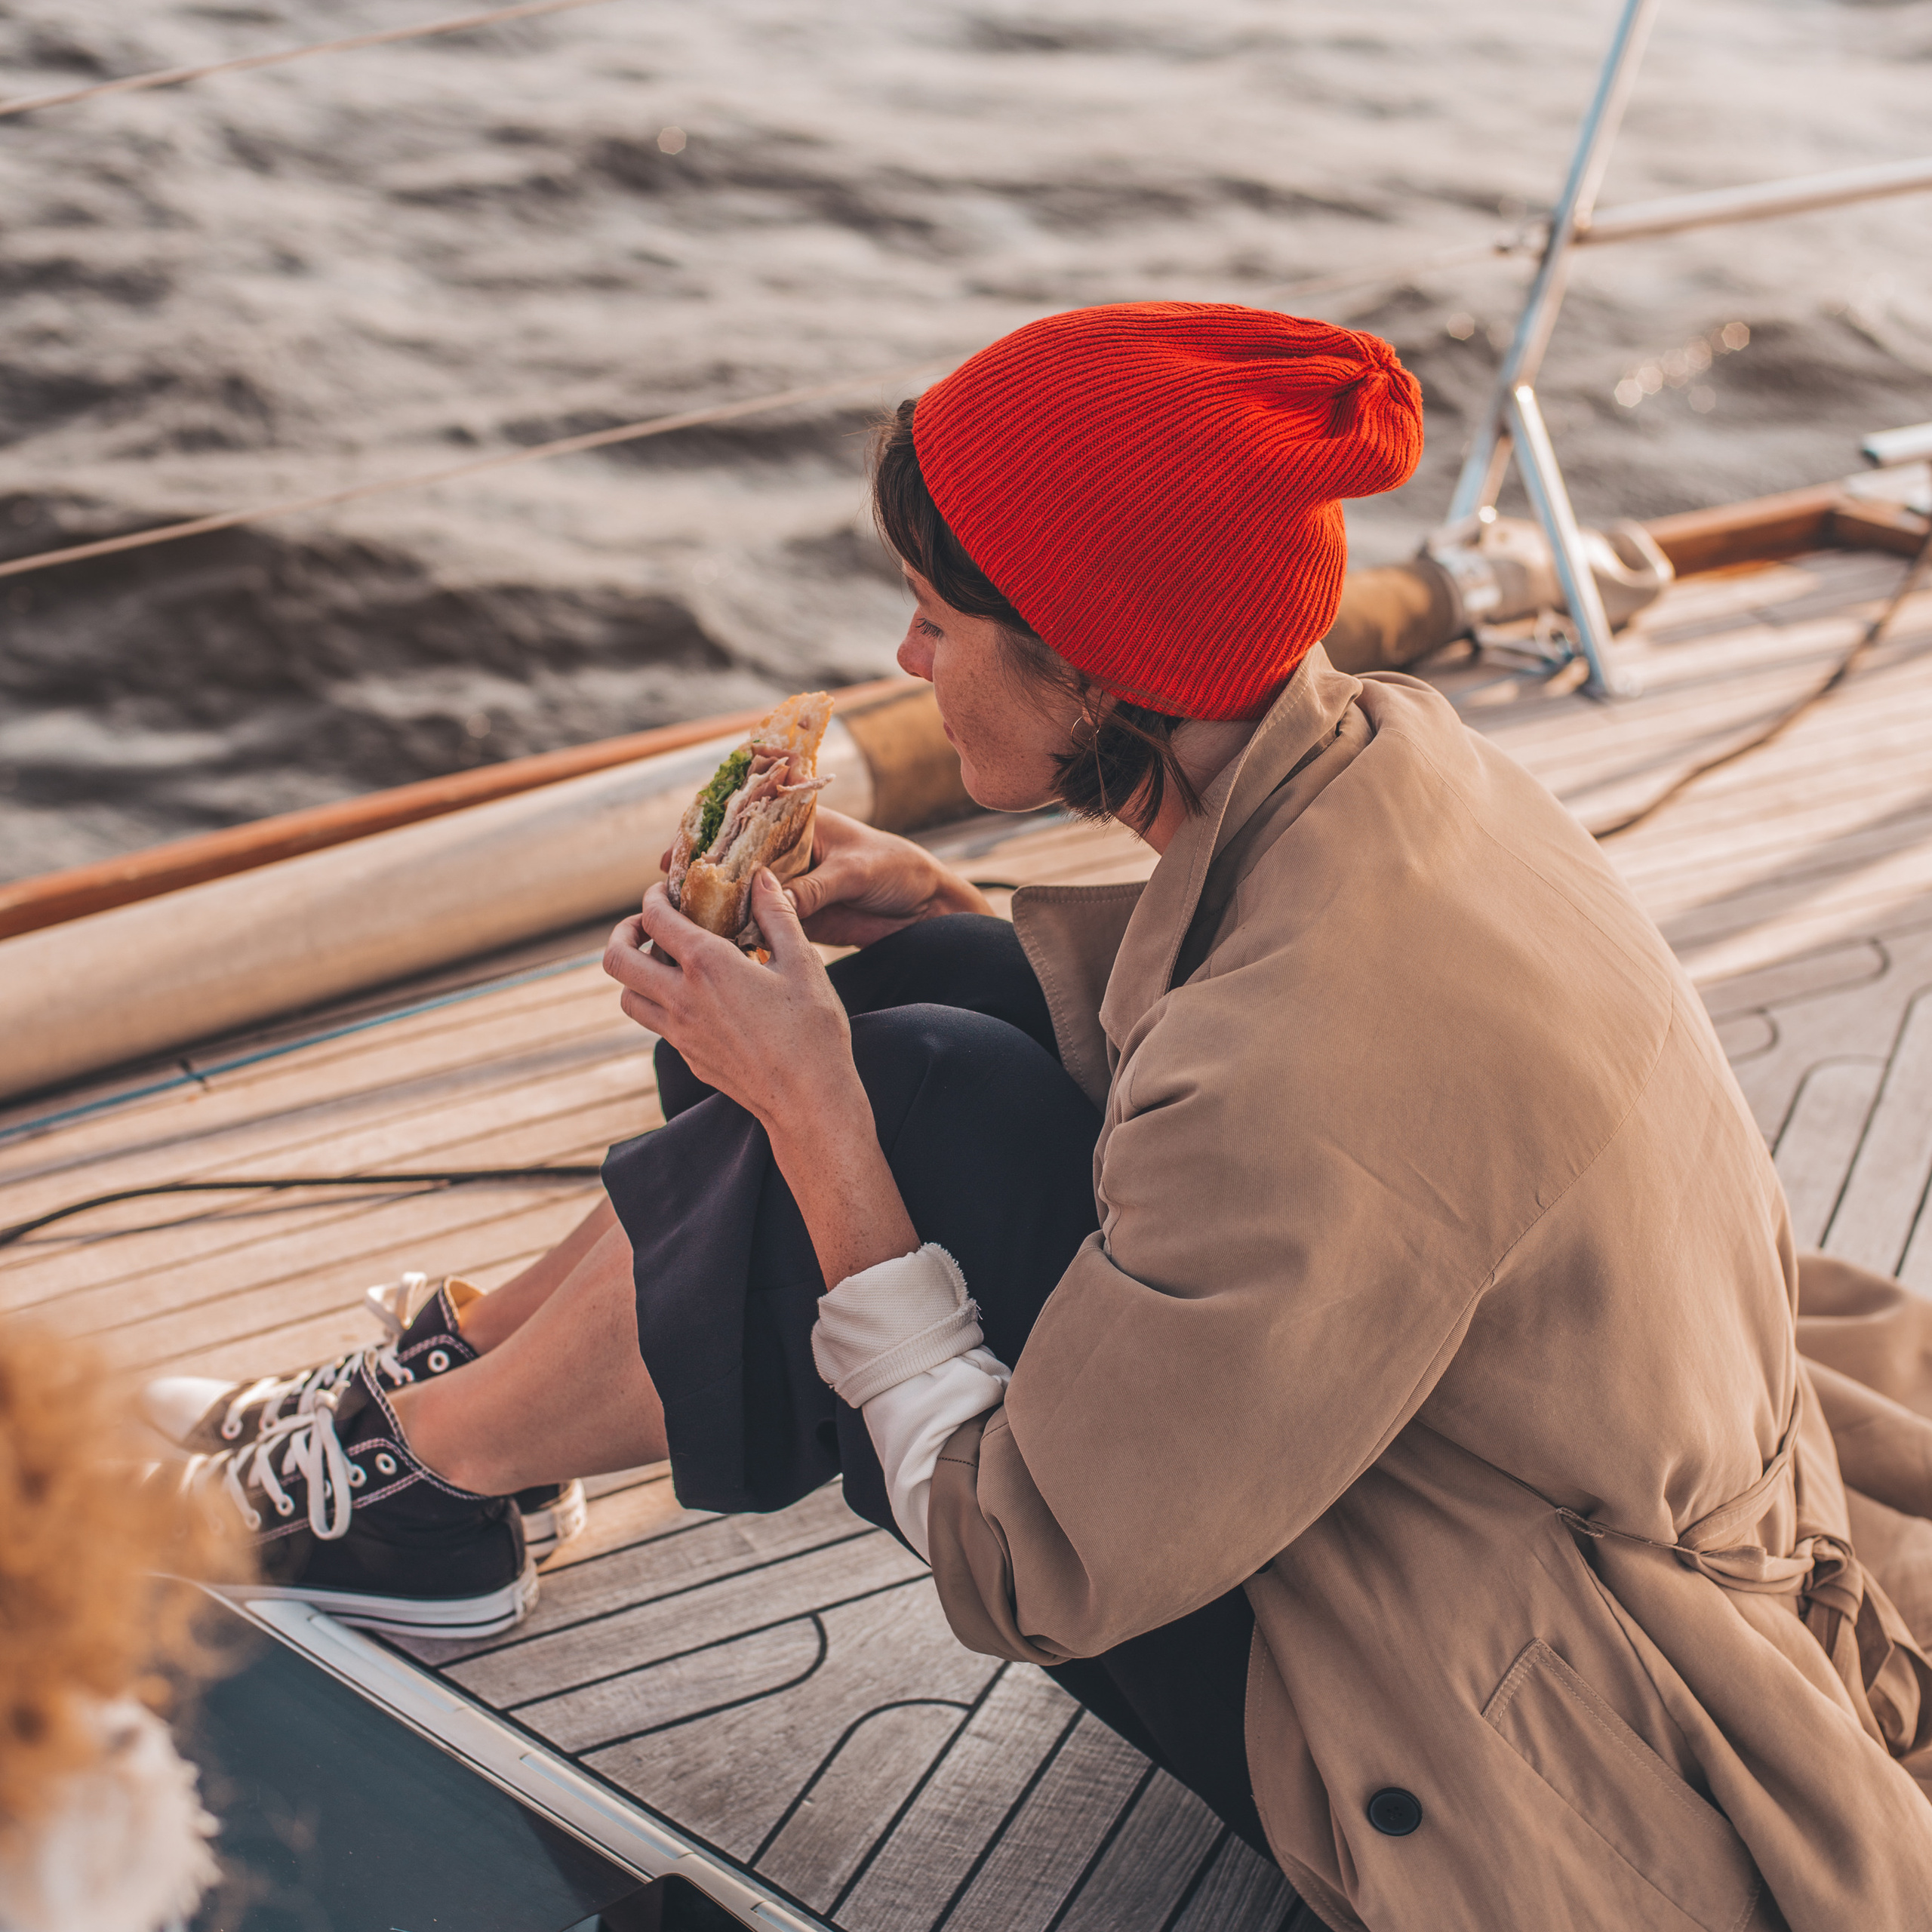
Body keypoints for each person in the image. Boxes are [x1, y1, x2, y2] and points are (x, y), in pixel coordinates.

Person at [145, 303, 1932, 1930]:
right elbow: (1220, 1064)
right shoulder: (1395, 763)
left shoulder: (1302, 1057)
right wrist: (938, 916)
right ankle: (444, 1408)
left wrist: (825, 1132)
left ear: (1096, 659)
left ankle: (431, 1488)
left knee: (880, 1107)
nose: (902, 648)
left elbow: (1015, 1555)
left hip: (1517, 1716)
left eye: (942, 608)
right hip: (1497, 1484)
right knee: (937, 1011)